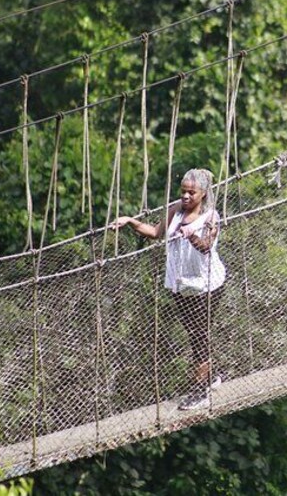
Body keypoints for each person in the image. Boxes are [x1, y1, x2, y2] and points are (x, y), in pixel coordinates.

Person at [112, 168, 227, 410]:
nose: (185, 196)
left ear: (203, 194)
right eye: (183, 191)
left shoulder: (211, 218)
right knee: (194, 333)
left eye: (191, 193)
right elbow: (154, 232)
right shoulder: (176, 209)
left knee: (199, 335)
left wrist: (192, 236)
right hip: (180, 285)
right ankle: (212, 375)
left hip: (206, 285)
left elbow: (207, 246)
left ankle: (200, 391)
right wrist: (130, 221)